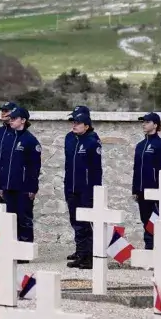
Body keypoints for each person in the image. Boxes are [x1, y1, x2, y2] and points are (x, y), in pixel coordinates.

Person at [65, 105, 103, 269]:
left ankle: (89, 256)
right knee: (75, 221)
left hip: (86, 189)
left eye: (78, 123)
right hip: (71, 187)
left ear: (86, 125)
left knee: (85, 223)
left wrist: (94, 191)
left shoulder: (92, 141)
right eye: (73, 122)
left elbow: (96, 170)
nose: (74, 125)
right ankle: (81, 252)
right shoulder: (69, 138)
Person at [0, 106, 40, 245]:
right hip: (8, 187)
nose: (11, 121)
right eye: (10, 118)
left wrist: (32, 189)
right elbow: (3, 164)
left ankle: (25, 250)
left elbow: (34, 167)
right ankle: (11, 248)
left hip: (23, 188)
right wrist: (1, 185)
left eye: (14, 119)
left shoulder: (30, 141)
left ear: (23, 120)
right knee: (9, 220)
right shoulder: (8, 138)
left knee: (24, 220)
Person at [132, 112, 161, 250]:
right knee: (145, 220)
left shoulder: (160, 145)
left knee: (154, 220)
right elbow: (136, 169)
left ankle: (155, 248)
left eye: (147, 122)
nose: (144, 124)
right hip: (142, 191)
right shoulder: (140, 145)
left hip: (154, 191)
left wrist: (160, 191)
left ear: (155, 125)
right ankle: (149, 247)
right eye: (143, 122)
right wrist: (135, 190)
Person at [0, 101, 18, 204]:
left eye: (6, 111)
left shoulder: (18, 133)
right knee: (2, 214)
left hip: (12, 183)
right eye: (2, 111)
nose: (3, 113)